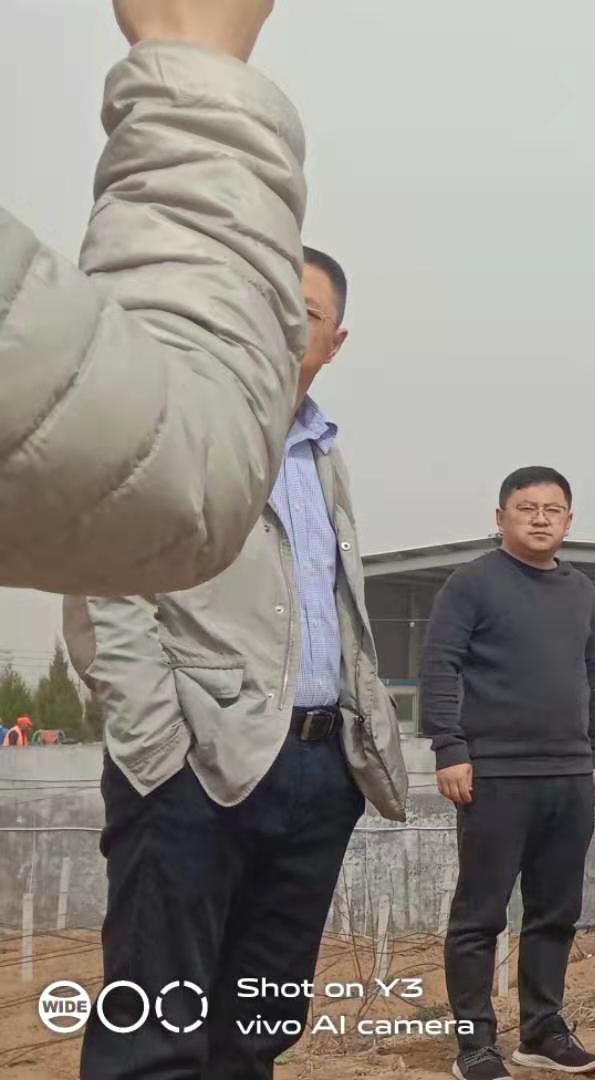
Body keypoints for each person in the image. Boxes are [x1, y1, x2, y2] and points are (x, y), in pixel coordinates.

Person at [64, 245, 411, 1079]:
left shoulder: (323, 454)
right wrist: (160, 753)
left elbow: (333, 610)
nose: (286, 324)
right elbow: (108, 591)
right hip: (197, 768)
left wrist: (354, 744)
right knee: (155, 1024)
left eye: (309, 314)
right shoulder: (168, 427)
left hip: (317, 772)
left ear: (334, 342)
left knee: (258, 1022)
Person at [2, 1, 318, 597]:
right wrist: (196, 61)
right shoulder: (236, 424)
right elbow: (169, 479)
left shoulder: (320, 452)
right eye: (300, 306)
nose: (297, 323)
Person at [423, 466, 595, 1079]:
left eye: (552, 509)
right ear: (500, 517)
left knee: (556, 910)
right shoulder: (471, 583)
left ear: (568, 521)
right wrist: (449, 747)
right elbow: (440, 666)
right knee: (480, 915)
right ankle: (476, 1044)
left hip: (570, 775)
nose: (540, 518)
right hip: (494, 775)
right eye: (526, 507)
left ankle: (543, 1030)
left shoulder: (581, 590)